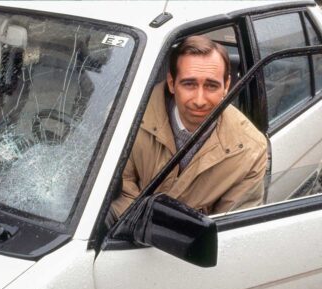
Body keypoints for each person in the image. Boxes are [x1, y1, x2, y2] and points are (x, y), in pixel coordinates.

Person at [110, 35, 268, 218]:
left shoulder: (251, 150)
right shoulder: (124, 118)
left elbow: (228, 229)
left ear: (226, 86)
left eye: (211, 86)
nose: (199, 100)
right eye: (189, 84)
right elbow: (115, 198)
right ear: (171, 83)